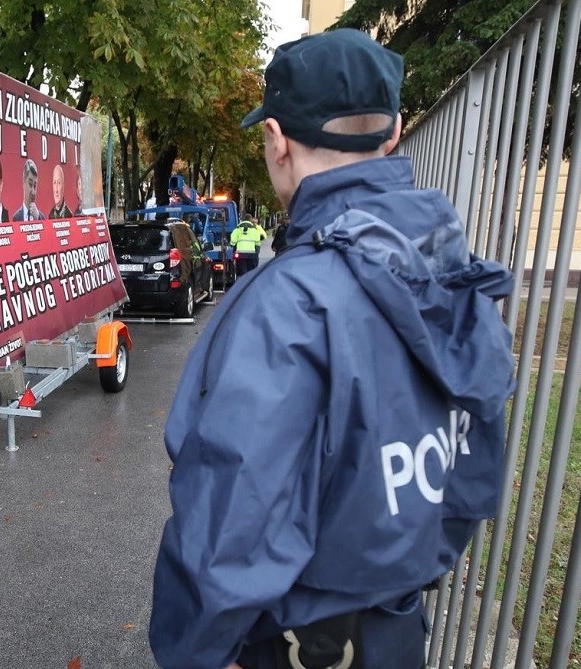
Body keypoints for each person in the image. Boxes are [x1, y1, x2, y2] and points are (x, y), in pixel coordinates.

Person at [149, 29, 515, 669]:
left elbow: (230, 525)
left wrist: (196, 651)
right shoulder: (451, 274)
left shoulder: (288, 305)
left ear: (277, 140)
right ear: (394, 132)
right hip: (398, 635)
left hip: (294, 647)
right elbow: (472, 478)